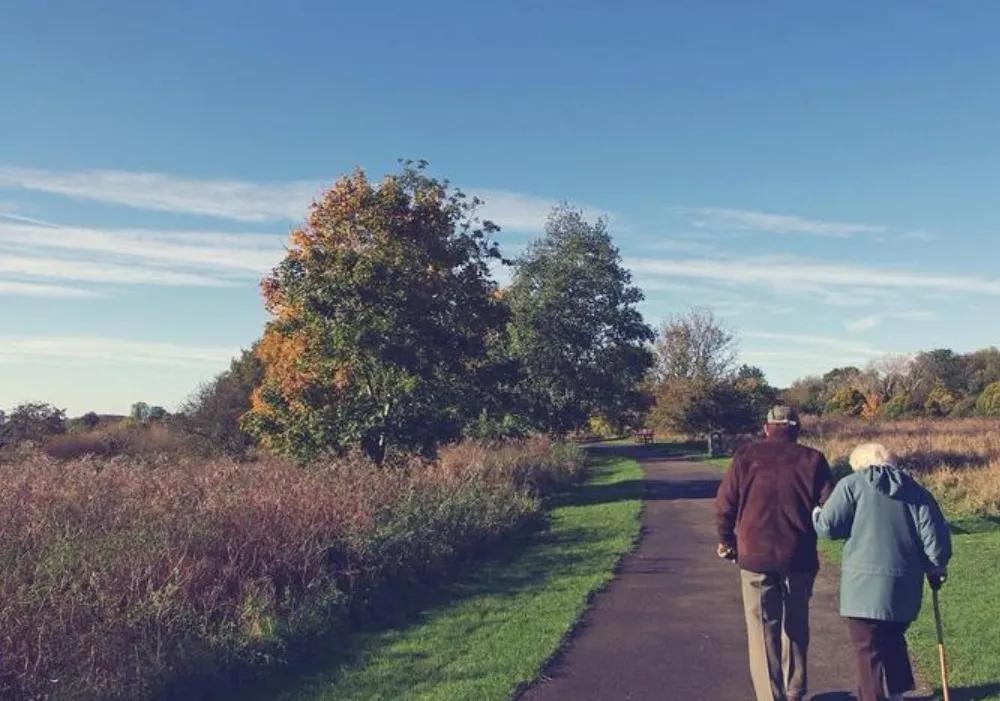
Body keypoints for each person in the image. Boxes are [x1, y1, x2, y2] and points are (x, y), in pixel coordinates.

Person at [814, 443, 952, 701]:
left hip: (861, 585)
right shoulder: (916, 491)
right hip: (904, 584)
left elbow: (828, 527)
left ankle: (872, 697)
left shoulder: (851, 485)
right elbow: (934, 540)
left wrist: (816, 512)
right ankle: (897, 693)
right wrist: (937, 565)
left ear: (860, 465)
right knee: (893, 636)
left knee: (867, 647)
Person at [715, 405, 834, 701]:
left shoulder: (745, 456)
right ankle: (795, 690)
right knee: (796, 623)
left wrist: (725, 540)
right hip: (799, 556)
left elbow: (725, 505)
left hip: (755, 555)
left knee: (761, 630)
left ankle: (771, 696)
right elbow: (830, 509)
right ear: (796, 429)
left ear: (766, 427)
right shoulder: (813, 459)